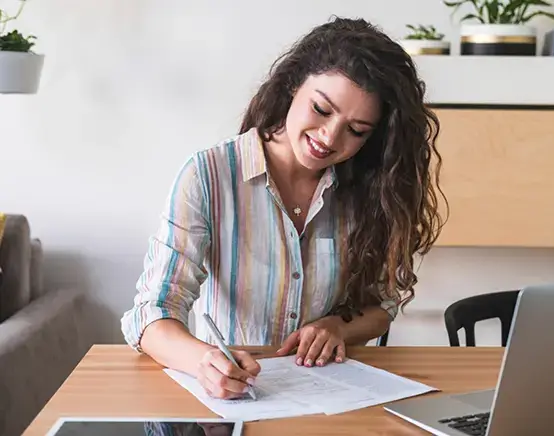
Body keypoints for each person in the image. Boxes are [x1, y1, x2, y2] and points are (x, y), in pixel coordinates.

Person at [120, 16, 446, 400]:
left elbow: (381, 304)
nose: (329, 137)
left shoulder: (368, 189)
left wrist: (337, 328)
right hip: (233, 403)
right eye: (321, 109)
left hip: (330, 400)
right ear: (294, 84)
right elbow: (151, 314)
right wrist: (202, 360)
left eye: (356, 130)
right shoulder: (209, 176)